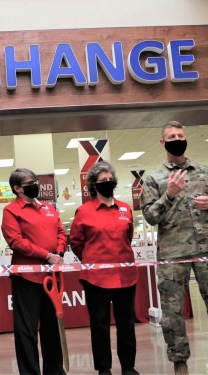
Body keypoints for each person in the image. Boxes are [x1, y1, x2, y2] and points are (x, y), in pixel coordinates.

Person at [142, 121, 208, 375]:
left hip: (207, 250)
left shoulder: (204, 171)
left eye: (180, 135)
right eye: (171, 136)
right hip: (173, 254)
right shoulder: (153, 178)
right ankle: (180, 364)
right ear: (162, 143)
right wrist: (169, 195)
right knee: (172, 313)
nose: (177, 139)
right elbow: (150, 216)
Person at [70, 161, 140, 375]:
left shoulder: (125, 208)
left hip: (125, 276)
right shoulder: (83, 211)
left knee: (126, 323)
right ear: (94, 185)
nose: (108, 182)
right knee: (99, 324)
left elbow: (128, 237)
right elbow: (76, 243)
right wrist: (92, 258)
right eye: (103, 180)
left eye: (111, 179)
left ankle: (128, 366)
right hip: (96, 278)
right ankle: (104, 368)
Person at [1, 168, 67, 375]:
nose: (35, 186)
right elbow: (16, 241)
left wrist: (59, 251)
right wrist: (46, 255)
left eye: (35, 182)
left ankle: (54, 371)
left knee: (52, 327)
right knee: (26, 330)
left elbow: (60, 232)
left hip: (51, 276)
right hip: (27, 278)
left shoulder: (48, 207)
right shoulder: (11, 211)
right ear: (17, 189)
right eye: (30, 183)